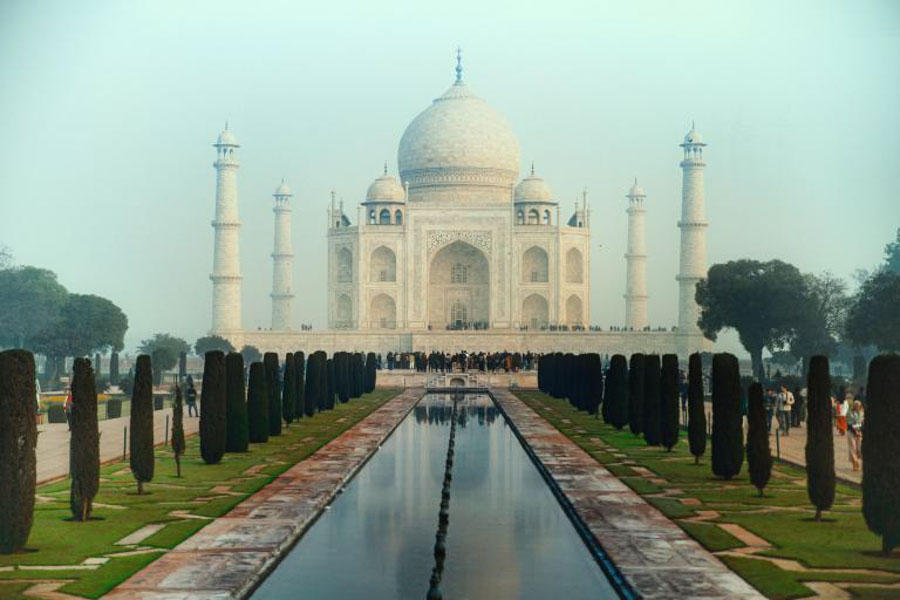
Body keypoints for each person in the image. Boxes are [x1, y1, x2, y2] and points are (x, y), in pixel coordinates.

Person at [846, 400, 864, 471]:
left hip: (859, 433)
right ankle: (855, 463)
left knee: (859, 449)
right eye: (856, 405)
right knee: (853, 448)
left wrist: (860, 430)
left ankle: (857, 461)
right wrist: (855, 431)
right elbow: (849, 424)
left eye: (858, 406)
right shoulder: (850, 413)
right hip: (851, 432)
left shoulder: (862, 412)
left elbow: (863, 423)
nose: (857, 407)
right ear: (854, 406)